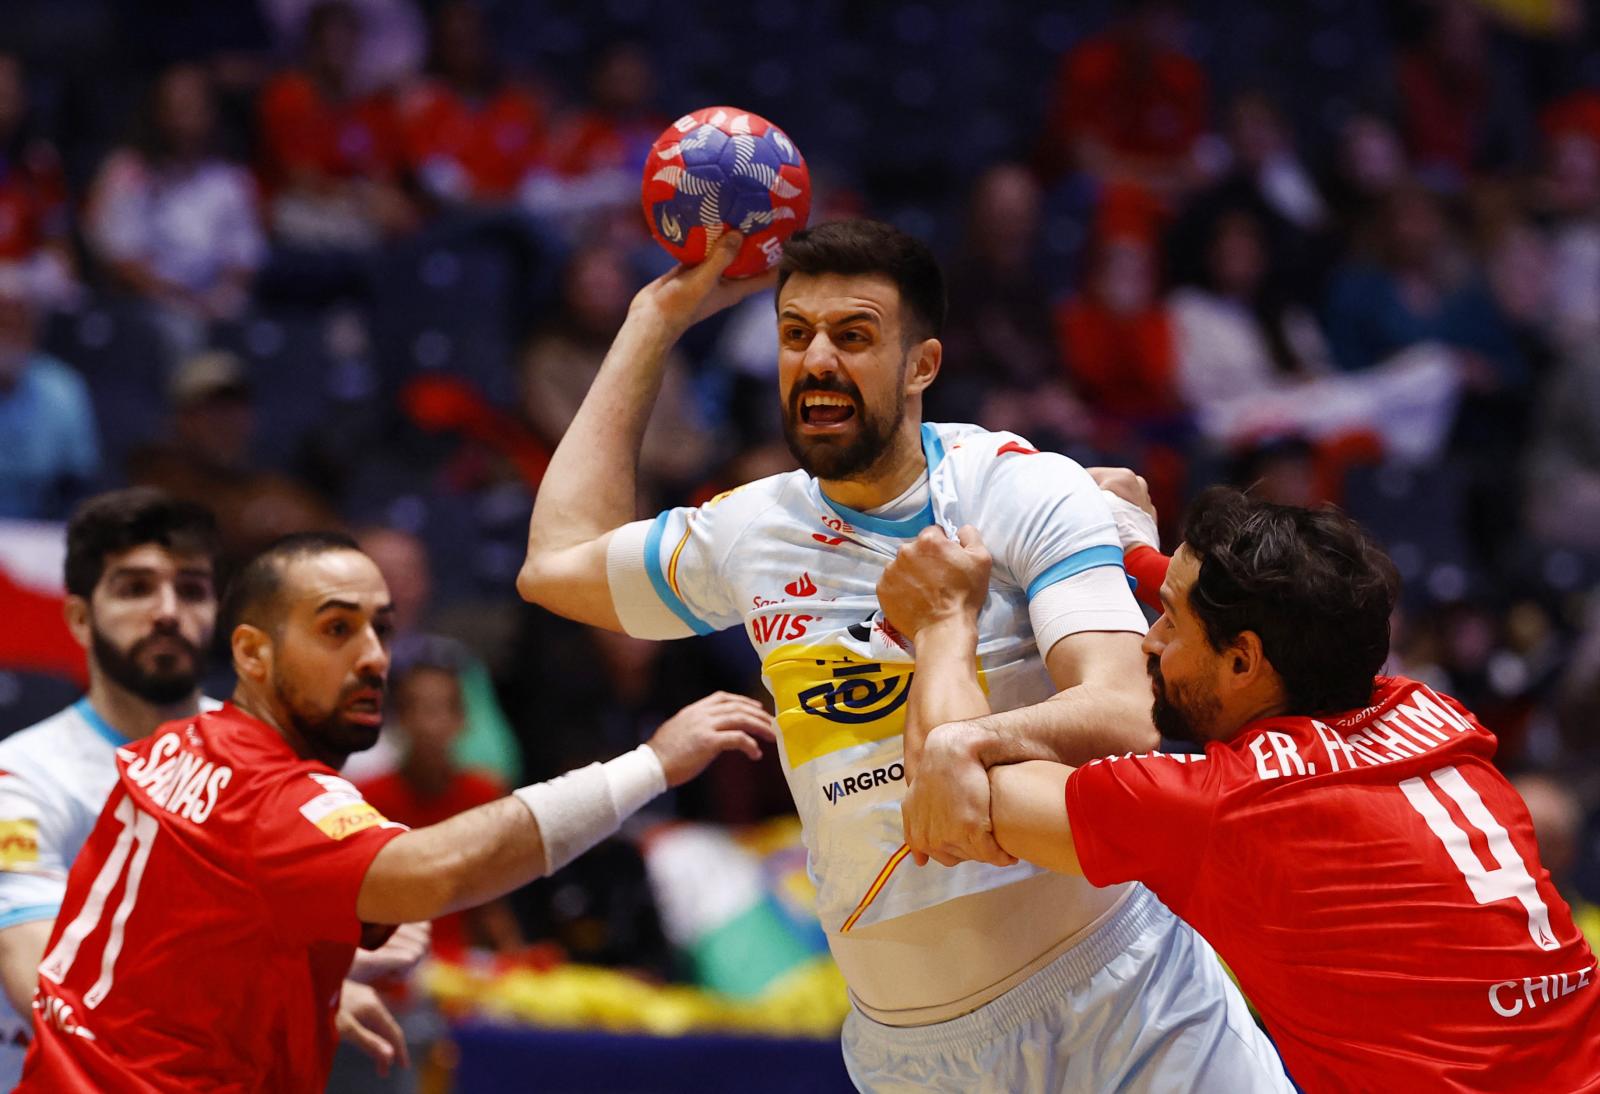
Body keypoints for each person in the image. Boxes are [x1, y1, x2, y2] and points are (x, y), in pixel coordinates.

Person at [517, 220, 1291, 1090]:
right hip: (914, 1056)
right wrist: (654, 320)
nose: (816, 362)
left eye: (852, 337)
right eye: (793, 335)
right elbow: (553, 567)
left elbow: (1123, 715)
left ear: (920, 365)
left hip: (1124, 1002)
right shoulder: (748, 528)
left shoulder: (1017, 484)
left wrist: (956, 740)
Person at [881, 471, 1600, 1090]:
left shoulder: (1223, 808)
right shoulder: (1425, 710)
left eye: (1167, 620)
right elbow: (1302, 613)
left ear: (1244, 661)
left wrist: (944, 623)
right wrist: (1131, 551)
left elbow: (954, 797)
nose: (1151, 643)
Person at [18, 531, 770, 1090]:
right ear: (252, 654)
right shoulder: (276, 800)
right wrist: (653, 765)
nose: (375, 655)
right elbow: (433, 873)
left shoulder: (183, 744)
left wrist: (312, 985)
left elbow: (184, 939)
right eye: (337, 629)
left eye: (379, 626)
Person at [0, 491, 420, 1086]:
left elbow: (378, 905)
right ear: (78, 618)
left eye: (192, 589)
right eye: (135, 588)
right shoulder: (19, 777)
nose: (168, 612)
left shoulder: (274, 755)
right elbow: (40, 981)